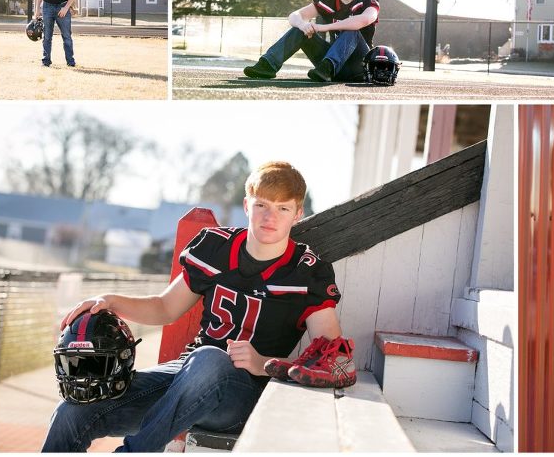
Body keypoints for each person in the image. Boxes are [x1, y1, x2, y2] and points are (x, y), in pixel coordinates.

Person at [42, 161, 353, 452]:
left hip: (245, 395)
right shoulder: (216, 248)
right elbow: (164, 308)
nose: (269, 217)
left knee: (209, 359)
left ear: (297, 213)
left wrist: (263, 363)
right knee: (73, 412)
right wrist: (110, 300)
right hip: (185, 378)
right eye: (262, 205)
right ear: (247, 205)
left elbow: (331, 363)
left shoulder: (306, 272)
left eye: (282, 208)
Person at [243, 0, 379, 82]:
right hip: (329, 68)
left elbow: (365, 19)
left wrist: (323, 27)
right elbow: (294, 15)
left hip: (358, 66)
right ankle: (268, 65)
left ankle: (327, 68)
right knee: (300, 28)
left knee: (352, 31)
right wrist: (303, 25)